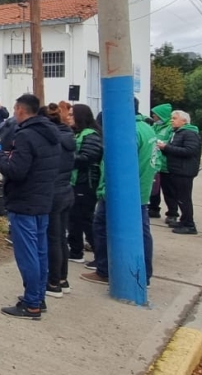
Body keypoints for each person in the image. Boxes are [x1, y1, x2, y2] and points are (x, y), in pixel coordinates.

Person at [0, 94, 60, 319]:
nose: (13, 112)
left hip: (24, 202)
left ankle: (31, 303)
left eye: (14, 108)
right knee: (40, 251)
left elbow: (16, 171)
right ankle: (38, 297)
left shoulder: (25, 136)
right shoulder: (51, 133)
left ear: (21, 110)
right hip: (43, 200)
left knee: (28, 254)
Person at [83, 99, 158, 285]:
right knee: (142, 232)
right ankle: (144, 273)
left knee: (101, 227)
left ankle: (104, 270)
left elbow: (118, 165)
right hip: (142, 188)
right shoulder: (147, 128)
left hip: (121, 192)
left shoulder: (127, 131)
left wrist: (105, 189)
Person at [44, 105, 76, 298]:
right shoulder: (69, 137)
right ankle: (63, 279)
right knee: (61, 237)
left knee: (53, 239)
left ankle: (53, 281)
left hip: (53, 193)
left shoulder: (52, 140)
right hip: (66, 190)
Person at [67, 104, 103, 264]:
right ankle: (76, 251)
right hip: (76, 181)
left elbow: (87, 158)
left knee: (85, 219)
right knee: (74, 218)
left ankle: (99, 255)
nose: (68, 118)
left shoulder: (91, 135)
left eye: (71, 115)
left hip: (85, 183)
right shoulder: (78, 134)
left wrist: (66, 157)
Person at [157, 110, 202, 235]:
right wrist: (164, 148)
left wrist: (166, 147)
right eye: (171, 118)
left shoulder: (189, 133)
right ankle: (183, 220)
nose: (171, 120)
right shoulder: (177, 133)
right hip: (176, 170)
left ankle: (189, 224)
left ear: (184, 121)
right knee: (179, 197)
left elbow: (189, 151)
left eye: (175, 118)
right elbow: (175, 151)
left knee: (184, 198)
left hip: (184, 171)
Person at [147, 103, 174, 219]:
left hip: (166, 165)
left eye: (155, 115)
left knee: (169, 191)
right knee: (154, 190)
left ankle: (172, 213)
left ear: (161, 116)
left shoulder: (170, 128)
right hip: (155, 164)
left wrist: (162, 145)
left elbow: (171, 144)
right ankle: (154, 209)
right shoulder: (154, 127)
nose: (153, 117)